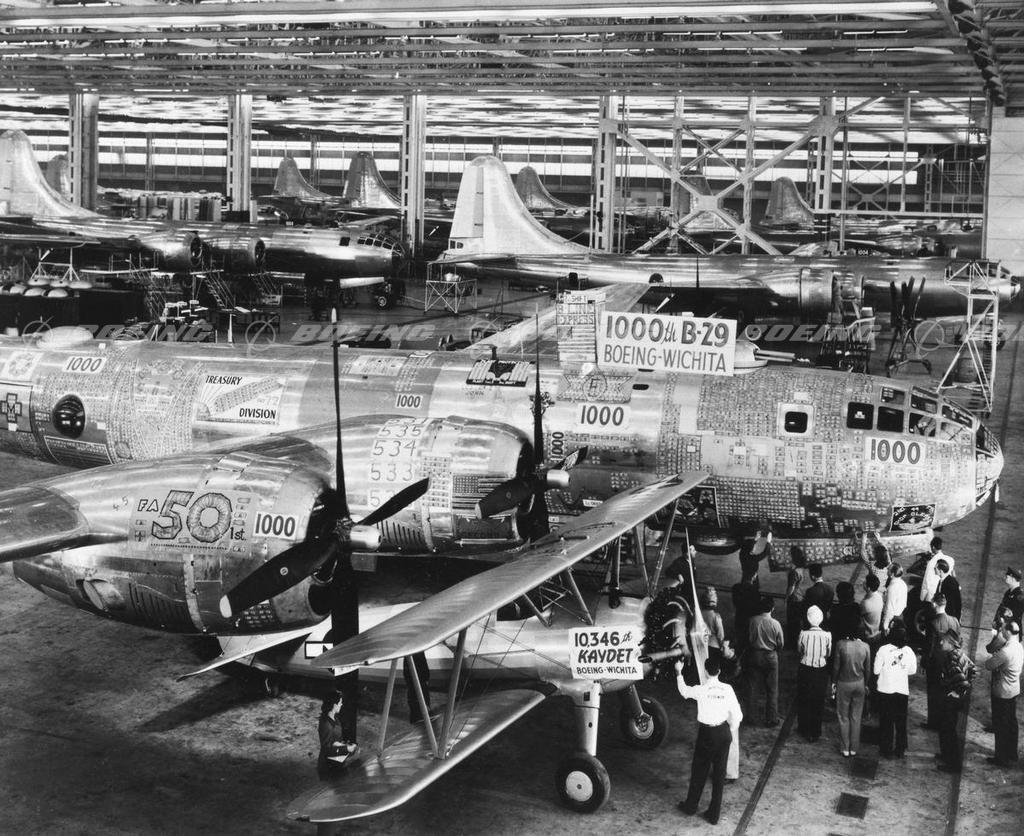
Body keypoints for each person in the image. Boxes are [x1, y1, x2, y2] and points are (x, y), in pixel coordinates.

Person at [675, 655, 743, 825]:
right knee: (719, 774)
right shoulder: (727, 689)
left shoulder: (701, 690)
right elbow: (737, 715)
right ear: (719, 671)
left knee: (699, 770)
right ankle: (714, 815)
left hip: (707, 734)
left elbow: (684, 691)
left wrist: (678, 672)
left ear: (705, 672)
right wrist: (729, 730)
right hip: (723, 733)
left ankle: (691, 806)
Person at [935, 628, 976, 773]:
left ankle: (953, 765)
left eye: (943, 641)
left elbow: (963, 682)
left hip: (951, 700)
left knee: (949, 731)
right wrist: (963, 691)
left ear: (950, 643)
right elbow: (973, 669)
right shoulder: (960, 653)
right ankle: (946, 756)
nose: (941, 643)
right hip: (956, 699)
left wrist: (957, 692)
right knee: (947, 728)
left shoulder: (952, 658)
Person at [874, 625, 917, 758]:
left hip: (885, 689)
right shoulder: (909, 651)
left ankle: (886, 749)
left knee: (886, 720)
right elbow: (912, 670)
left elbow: (876, 670)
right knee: (901, 721)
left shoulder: (883, 650)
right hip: (902, 690)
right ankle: (900, 749)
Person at [984, 620, 1022, 767]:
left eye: (1003, 629)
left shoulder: (1006, 651)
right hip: (1013, 689)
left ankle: (1001, 758)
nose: (1001, 631)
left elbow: (989, 665)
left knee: (1001, 726)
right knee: (1012, 723)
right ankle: (1012, 753)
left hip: (1002, 691)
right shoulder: (1019, 646)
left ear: (1007, 631)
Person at [923, 593, 961, 730]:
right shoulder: (954, 621)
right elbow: (959, 641)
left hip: (936, 664)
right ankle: (945, 722)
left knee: (934, 692)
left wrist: (924, 662)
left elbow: (929, 646)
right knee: (947, 692)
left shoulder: (933, 623)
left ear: (934, 604)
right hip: (951, 661)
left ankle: (933, 722)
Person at [746, 594, 785, 727]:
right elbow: (781, 643)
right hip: (770, 656)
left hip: (754, 654)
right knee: (772, 689)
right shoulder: (775, 624)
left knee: (753, 687)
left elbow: (748, 638)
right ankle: (771, 718)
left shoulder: (752, 620)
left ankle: (751, 717)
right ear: (772, 608)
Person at [832, 625, 870, 757]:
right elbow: (868, 669)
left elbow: (836, 667)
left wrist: (833, 682)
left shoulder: (840, 644)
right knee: (856, 716)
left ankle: (845, 748)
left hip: (844, 682)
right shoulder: (865, 646)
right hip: (859, 683)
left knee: (843, 716)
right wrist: (866, 684)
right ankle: (854, 748)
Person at [797, 604, 832, 742]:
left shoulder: (803, 634)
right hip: (820, 670)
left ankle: (804, 728)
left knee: (804, 698)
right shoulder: (827, 636)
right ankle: (815, 731)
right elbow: (828, 654)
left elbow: (799, 651)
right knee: (818, 699)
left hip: (805, 669)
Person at [317, 691, 358, 781]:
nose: (341, 704)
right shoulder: (326, 725)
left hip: (335, 761)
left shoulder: (335, 718)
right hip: (327, 767)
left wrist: (344, 745)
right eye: (340, 702)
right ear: (334, 705)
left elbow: (333, 741)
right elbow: (327, 749)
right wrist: (346, 749)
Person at [731, 570, 761, 656]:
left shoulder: (736, 588)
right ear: (753, 578)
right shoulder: (755, 593)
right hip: (749, 620)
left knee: (739, 639)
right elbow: (756, 609)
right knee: (748, 641)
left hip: (739, 616)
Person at [920, 536, 955, 603]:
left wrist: (922, 597)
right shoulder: (950, 560)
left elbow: (927, 581)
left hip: (932, 594)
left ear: (933, 547)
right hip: (945, 593)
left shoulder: (932, 562)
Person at [785, 546, 807, 650]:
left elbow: (791, 588)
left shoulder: (794, 572)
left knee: (792, 623)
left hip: (794, 598)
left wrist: (786, 598)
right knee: (797, 622)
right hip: (800, 597)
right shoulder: (801, 569)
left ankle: (792, 644)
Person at [994, 567, 1024, 635]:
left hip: (1012, 631)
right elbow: (1001, 608)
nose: (1005, 578)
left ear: (1013, 579)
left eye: (1007, 577)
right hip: (1003, 628)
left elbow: (1016, 615)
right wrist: (996, 622)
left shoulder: (1020, 596)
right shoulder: (1008, 592)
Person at [803, 563, 834, 628]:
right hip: (825, 620)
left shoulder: (810, 591)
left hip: (813, 622)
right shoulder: (830, 589)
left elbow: (806, 608)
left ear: (812, 576)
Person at [881, 561, 908, 635]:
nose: (887, 570)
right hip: (900, 614)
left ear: (892, 574)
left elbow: (889, 608)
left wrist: (885, 626)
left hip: (892, 618)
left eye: (888, 569)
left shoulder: (892, 588)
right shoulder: (903, 583)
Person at [860, 573, 884, 646]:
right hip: (877, 633)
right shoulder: (879, 597)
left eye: (864, 583)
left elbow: (859, 614)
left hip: (868, 636)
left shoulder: (866, 603)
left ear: (869, 588)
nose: (862, 583)